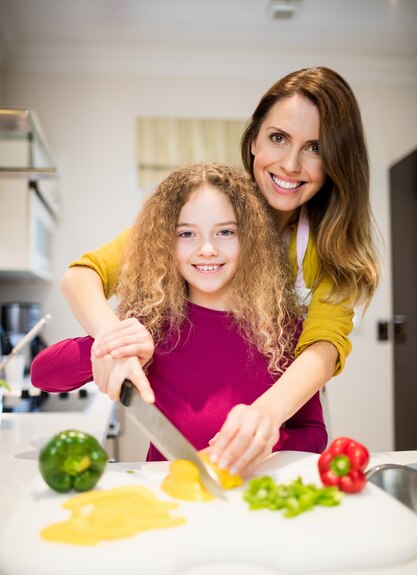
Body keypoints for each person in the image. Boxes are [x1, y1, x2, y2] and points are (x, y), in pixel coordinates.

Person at [58, 67, 380, 473]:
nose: (291, 164)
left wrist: (265, 417)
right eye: (278, 138)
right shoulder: (210, 206)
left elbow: (325, 344)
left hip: (281, 425)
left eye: (315, 148)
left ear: (337, 160)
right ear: (253, 140)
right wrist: (112, 341)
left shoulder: (330, 244)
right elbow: (81, 276)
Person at [31, 163, 327, 475]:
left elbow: (313, 431)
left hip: (253, 497)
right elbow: (42, 374)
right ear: (166, 244)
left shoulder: (284, 329)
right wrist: (107, 346)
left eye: (225, 232)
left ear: (249, 239)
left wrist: (257, 445)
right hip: (170, 500)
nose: (208, 249)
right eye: (187, 234)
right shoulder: (152, 324)